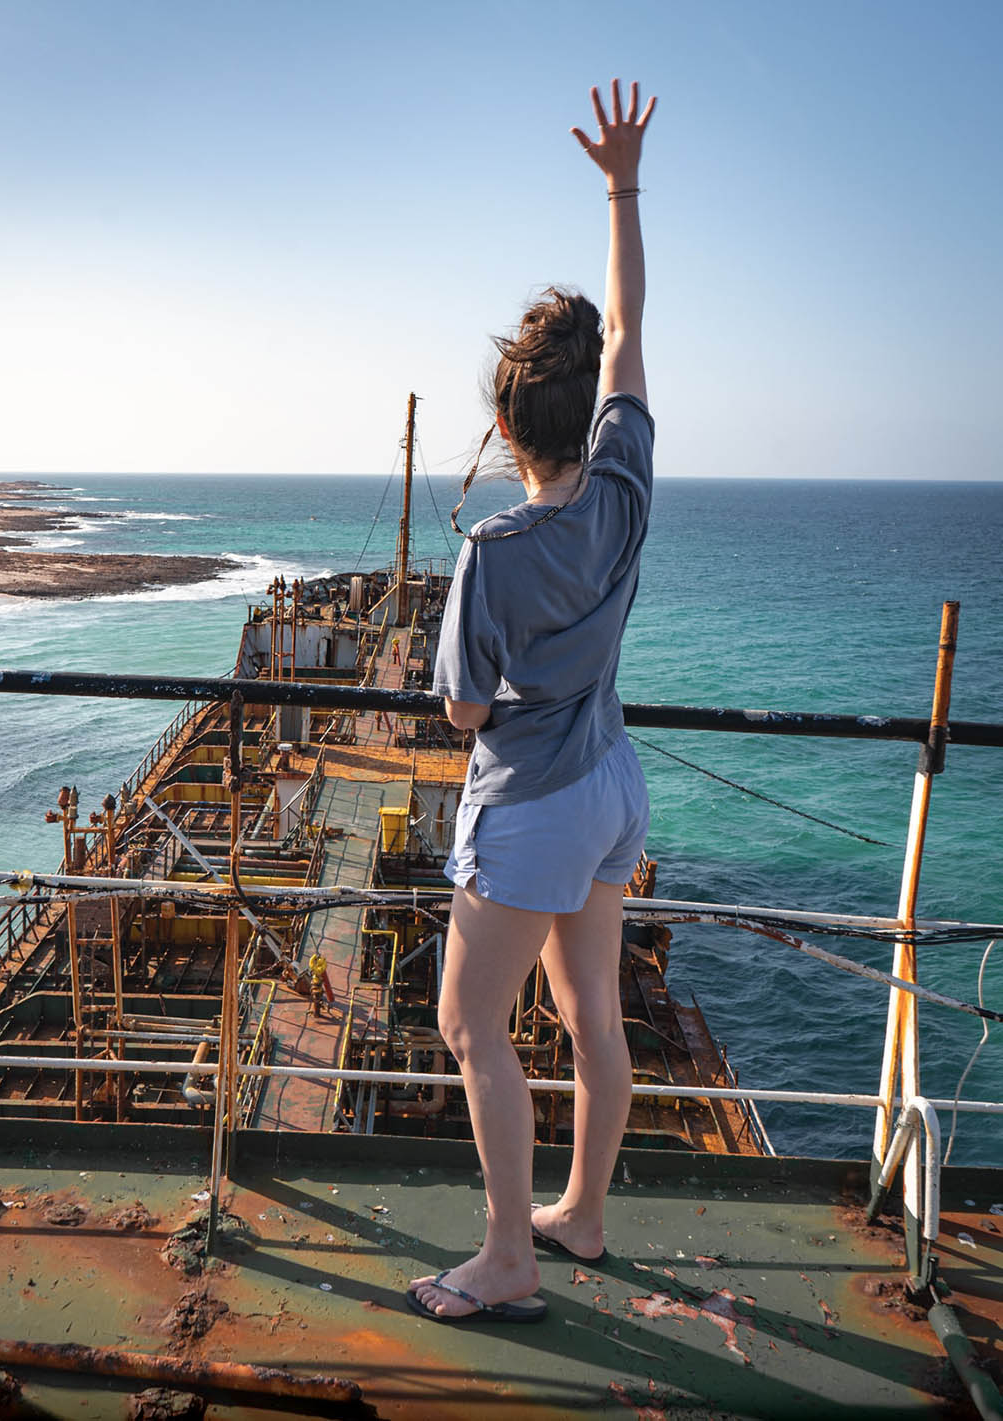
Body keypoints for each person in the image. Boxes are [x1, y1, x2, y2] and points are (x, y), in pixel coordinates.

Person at [407, 78, 657, 1324]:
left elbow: (459, 713)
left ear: (506, 422)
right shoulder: (623, 484)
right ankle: (586, 1215)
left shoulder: (495, 552)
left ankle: (508, 1256)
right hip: (617, 783)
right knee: (592, 1011)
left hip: (537, 802)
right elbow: (626, 328)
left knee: (470, 1025)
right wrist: (619, 184)